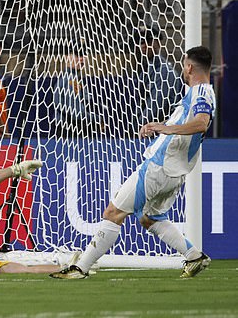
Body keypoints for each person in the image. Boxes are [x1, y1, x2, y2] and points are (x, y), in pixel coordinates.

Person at [51, 46, 215, 279]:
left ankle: (80, 268)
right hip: (173, 171)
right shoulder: (200, 92)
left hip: (159, 167)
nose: (182, 67)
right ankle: (193, 256)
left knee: (113, 212)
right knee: (150, 217)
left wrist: (164, 128)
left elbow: (201, 123)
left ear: (189, 66)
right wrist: (162, 126)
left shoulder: (201, 92)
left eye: (183, 63)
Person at [138, 27, 183, 126]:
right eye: (141, 42)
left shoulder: (164, 71)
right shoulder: (146, 69)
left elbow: (156, 106)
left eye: (148, 41)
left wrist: (137, 126)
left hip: (162, 129)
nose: (144, 45)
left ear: (158, 43)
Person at [52, 53, 102, 138]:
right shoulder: (70, 80)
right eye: (77, 55)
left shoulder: (74, 79)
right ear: (66, 57)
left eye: (83, 55)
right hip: (71, 132)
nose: (81, 59)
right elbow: (76, 112)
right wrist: (98, 119)